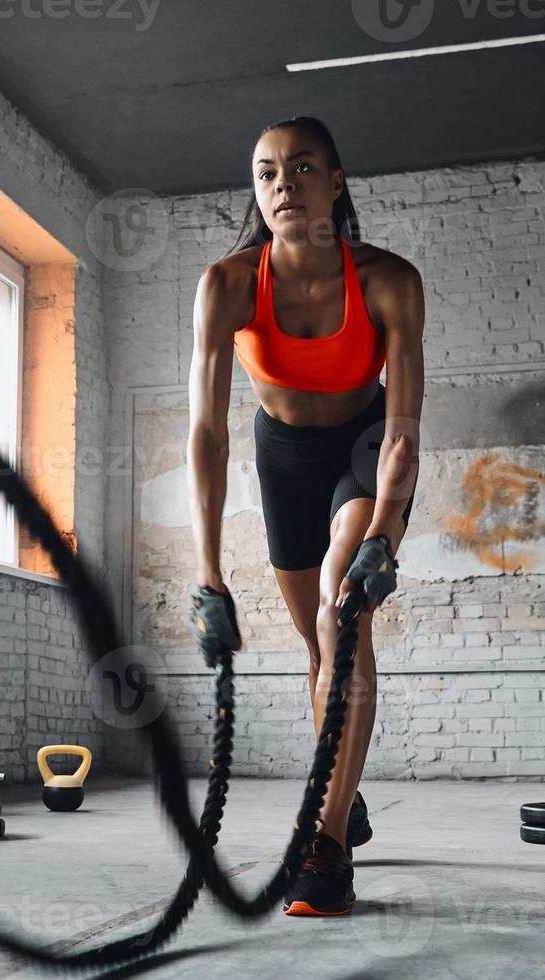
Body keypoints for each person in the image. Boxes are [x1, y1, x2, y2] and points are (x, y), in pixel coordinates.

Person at [185, 116, 424, 917]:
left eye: (301, 166)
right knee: (314, 647)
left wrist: (385, 534)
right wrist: (207, 576)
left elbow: (402, 431)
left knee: (341, 615)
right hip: (282, 461)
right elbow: (208, 433)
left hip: (363, 454)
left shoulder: (388, 280)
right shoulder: (227, 284)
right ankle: (342, 788)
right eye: (265, 173)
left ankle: (323, 848)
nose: (282, 183)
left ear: (335, 179)